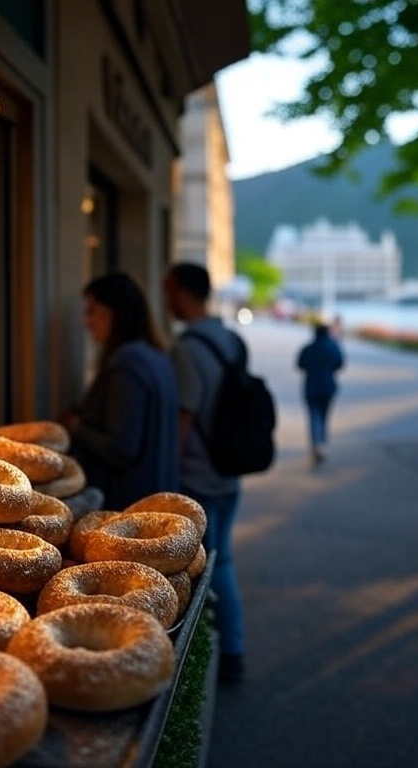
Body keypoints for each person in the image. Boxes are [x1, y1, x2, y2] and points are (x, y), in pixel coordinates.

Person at [162, 261, 247, 684]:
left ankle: (228, 651)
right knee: (222, 558)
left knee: (209, 568)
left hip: (198, 475)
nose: (165, 299)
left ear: (180, 291)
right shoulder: (231, 339)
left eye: (167, 290)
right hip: (229, 470)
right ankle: (230, 647)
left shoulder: (186, 348)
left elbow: (185, 415)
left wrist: (169, 477)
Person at [61, 271, 179, 510]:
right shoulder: (156, 356)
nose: (86, 321)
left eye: (92, 310)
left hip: (127, 502)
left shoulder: (128, 363)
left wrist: (76, 426)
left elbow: (121, 448)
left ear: (113, 313)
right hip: (153, 495)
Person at [296, 321, 345, 465]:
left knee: (314, 417)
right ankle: (322, 443)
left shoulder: (309, 348)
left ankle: (317, 444)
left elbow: (300, 364)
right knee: (324, 417)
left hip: (311, 386)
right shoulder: (333, 347)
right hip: (328, 386)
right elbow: (340, 364)